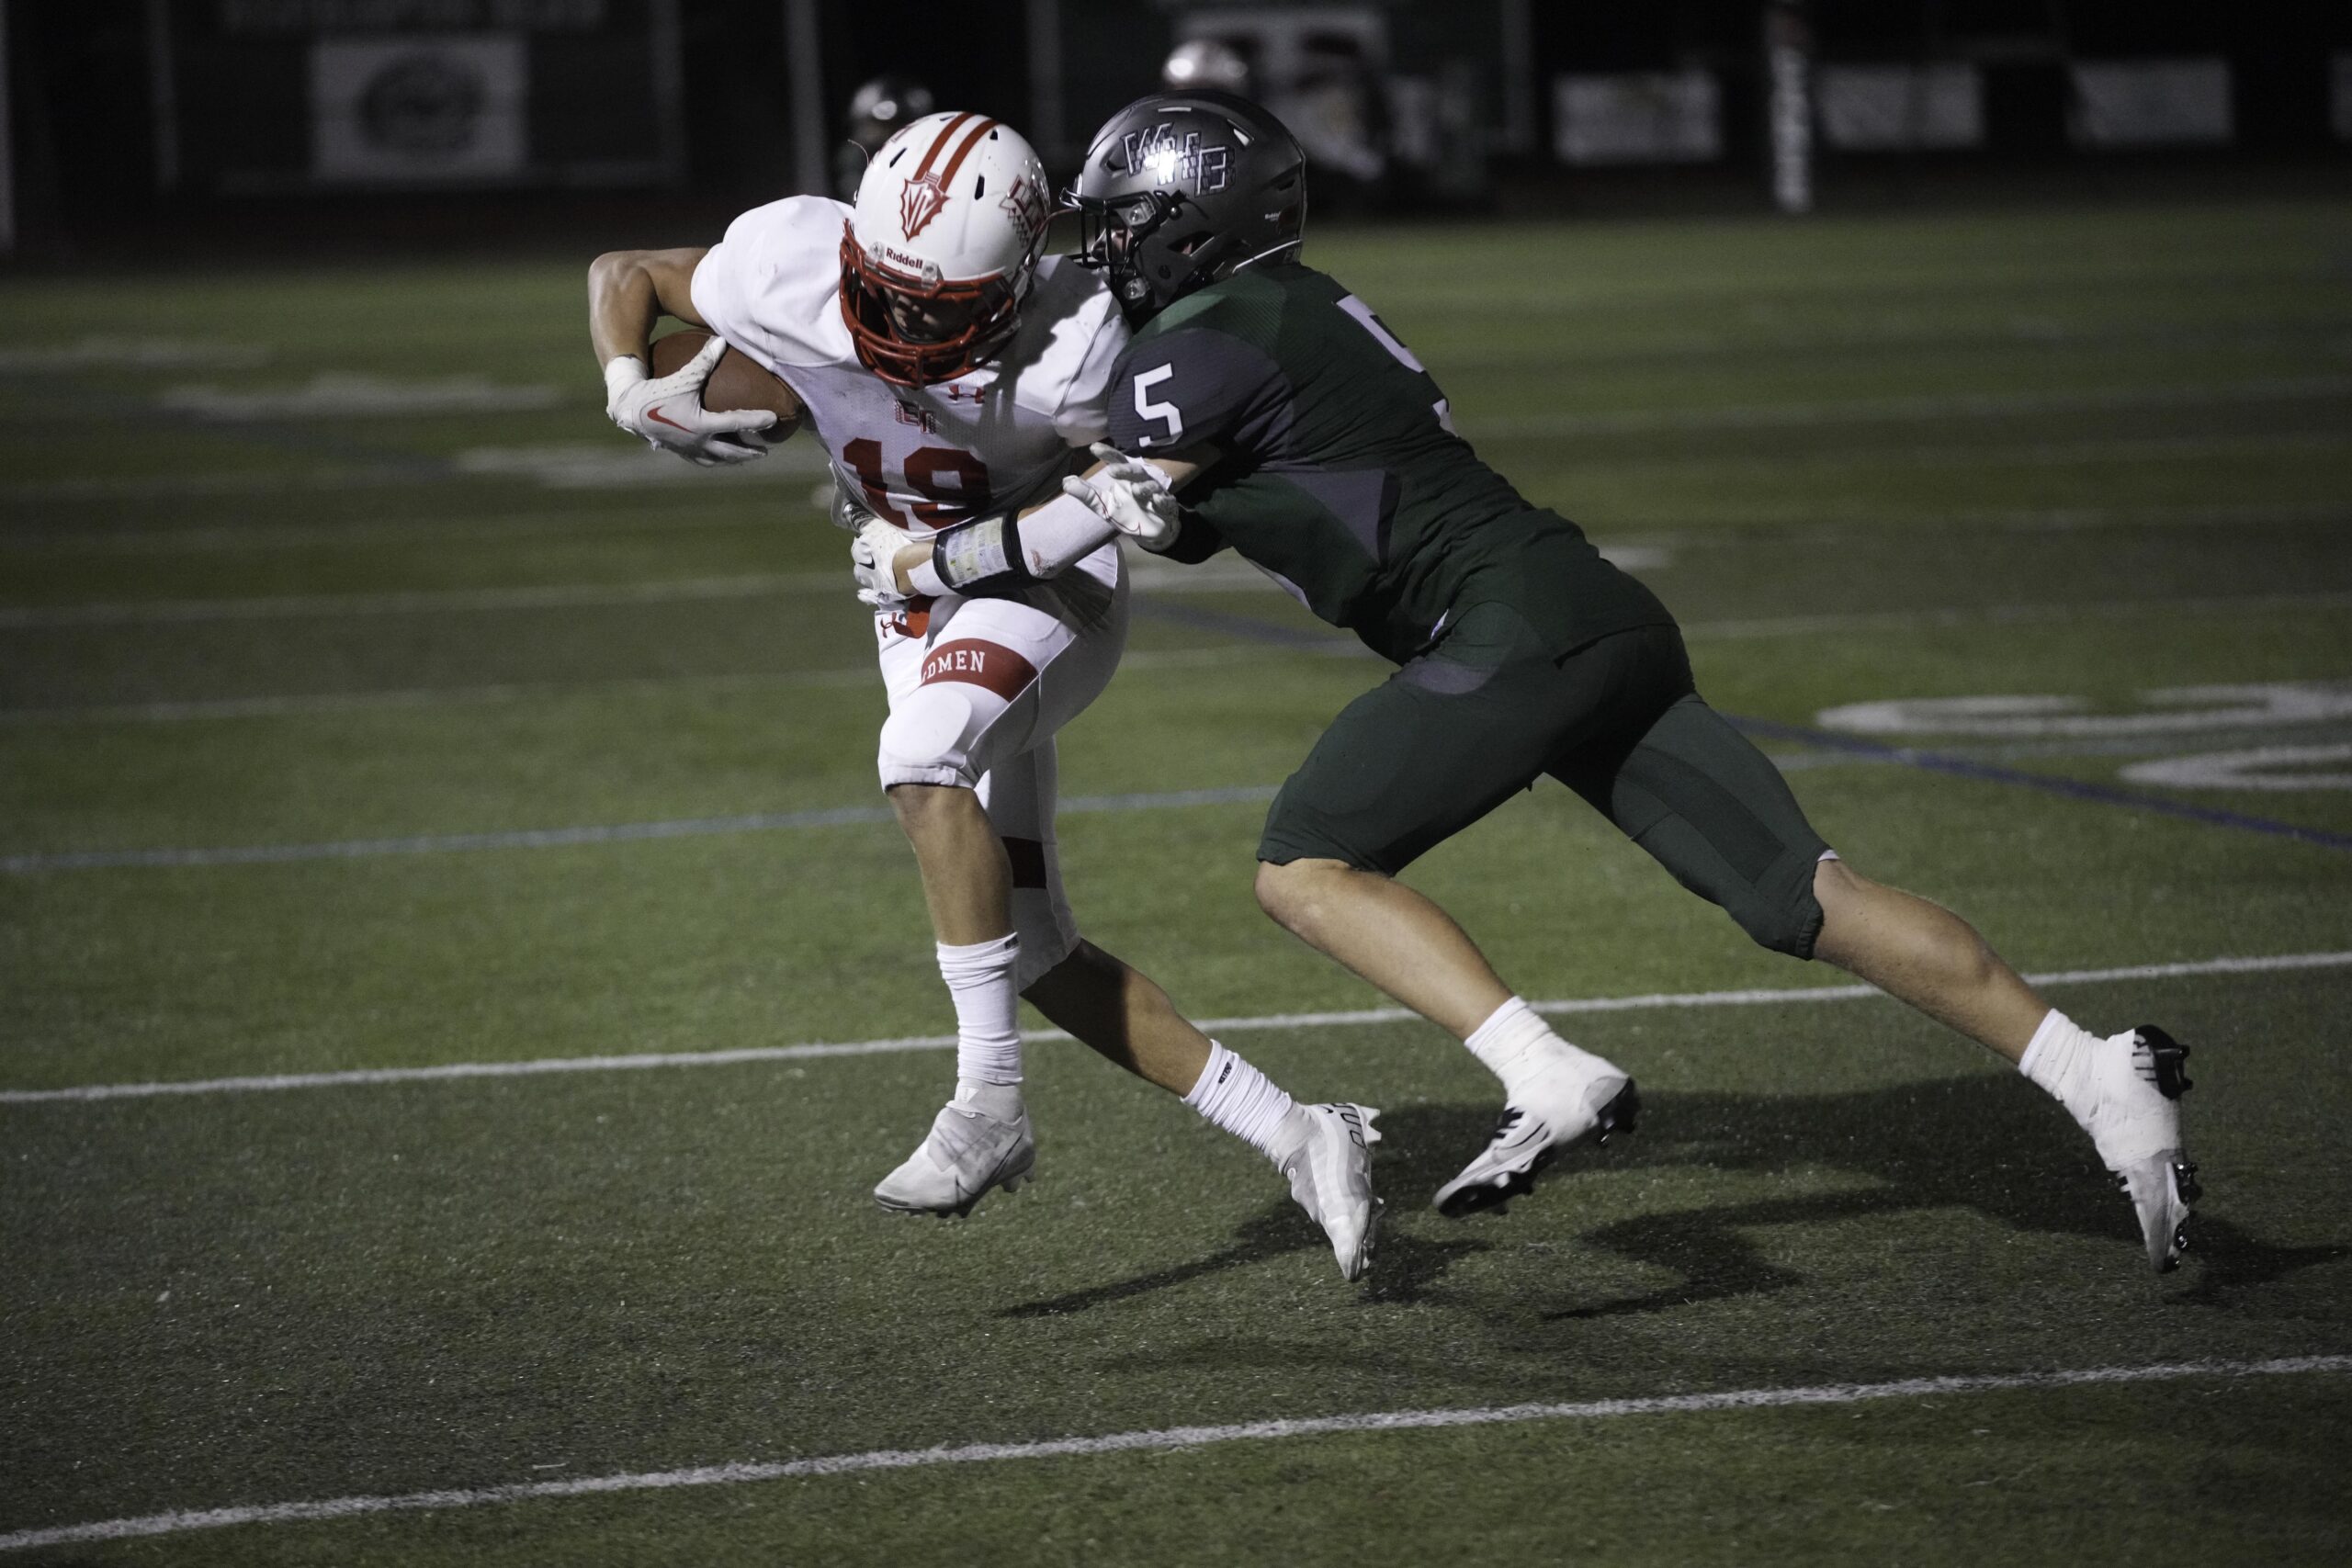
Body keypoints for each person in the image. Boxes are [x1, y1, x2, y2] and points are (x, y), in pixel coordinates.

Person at [920, 88, 2198, 1272]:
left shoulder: (1209, 335)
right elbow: (1182, 514)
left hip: (1502, 624)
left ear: (1188, 227)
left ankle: (1542, 1071)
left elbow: (1110, 507)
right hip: (1591, 610)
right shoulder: (1274, 315)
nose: (1105, 252)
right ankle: (2097, 1074)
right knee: (1808, 896)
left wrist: (934, 549)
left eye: (1126, 225)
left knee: (1304, 861)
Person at [586, 109, 1379, 1279]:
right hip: (907, 601)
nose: (899, 322)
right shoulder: (788, 258)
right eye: (883, 292)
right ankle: (1300, 1131)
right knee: (1034, 944)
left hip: (1046, 588)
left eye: (935, 309)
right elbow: (629, 275)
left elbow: (1161, 480)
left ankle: (988, 1105)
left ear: (1009, 292)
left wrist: (994, 540)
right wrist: (625, 387)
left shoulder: (1082, 345)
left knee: (918, 760)